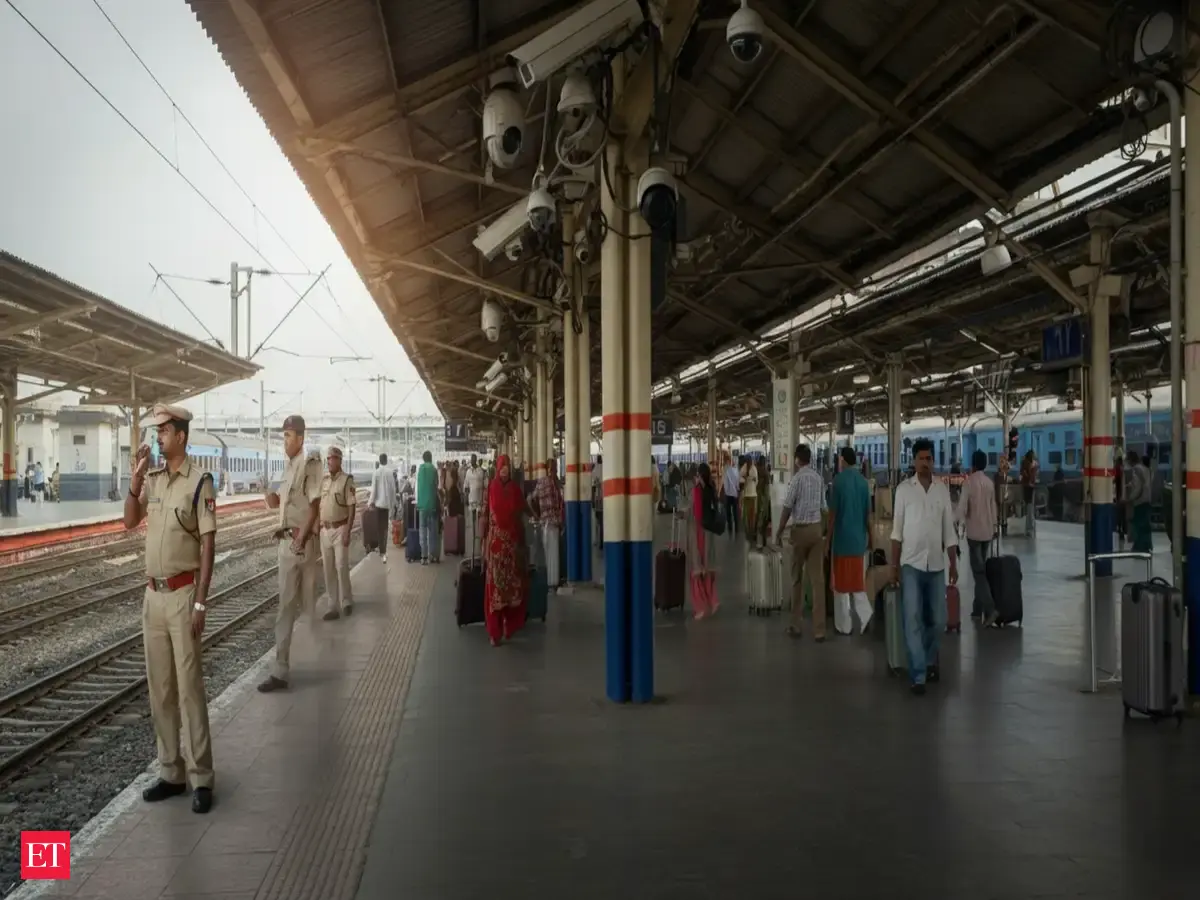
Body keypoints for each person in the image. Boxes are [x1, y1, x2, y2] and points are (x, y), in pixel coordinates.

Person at [123, 404, 215, 814]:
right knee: (160, 690)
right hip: (153, 598)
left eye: (164, 431)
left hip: (182, 596)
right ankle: (171, 773)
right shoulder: (155, 481)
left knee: (189, 688)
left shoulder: (199, 482)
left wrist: (201, 600)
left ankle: (202, 777)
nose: (158, 437)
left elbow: (208, 545)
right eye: (157, 430)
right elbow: (130, 520)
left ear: (180, 436)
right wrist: (135, 482)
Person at [258, 415, 322, 693]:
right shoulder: (287, 468)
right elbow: (278, 505)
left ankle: (293, 665)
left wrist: (301, 539)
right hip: (287, 543)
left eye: (288, 435)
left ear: (301, 438)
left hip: (299, 544)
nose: (284, 441)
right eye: (283, 435)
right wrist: (266, 491)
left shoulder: (310, 465)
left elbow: (314, 507)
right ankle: (282, 667)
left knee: (300, 606)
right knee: (289, 606)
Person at [891, 437, 958, 696]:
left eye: (929, 458)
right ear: (914, 461)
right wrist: (894, 566)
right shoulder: (903, 490)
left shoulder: (942, 490)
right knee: (912, 618)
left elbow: (949, 532)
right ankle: (918, 674)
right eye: (921, 458)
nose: (925, 463)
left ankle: (929, 660)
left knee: (939, 620)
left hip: (937, 565)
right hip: (910, 563)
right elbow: (896, 532)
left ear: (933, 460)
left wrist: (953, 563)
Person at [777, 444, 827, 641]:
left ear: (797, 460)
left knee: (797, 579)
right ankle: (819, 630)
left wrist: (779, 531)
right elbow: (824, 508)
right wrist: (822, 531)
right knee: (817, 582)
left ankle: (796, 625)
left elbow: (787, 507)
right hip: (816, 531)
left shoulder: (797, 479)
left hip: (799, 532)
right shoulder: (819, 478)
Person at [481, 454, 528, 646]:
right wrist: (482, 541)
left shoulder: (515, 489)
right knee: (495, 591)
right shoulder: (491, 488)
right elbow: (485, 514)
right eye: (502, 468)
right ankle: (494, 632)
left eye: (507, 468)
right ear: (498, 469)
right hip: (495, 549)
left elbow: (522, 511)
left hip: (512, 549)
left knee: (512, 590)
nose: (504, 471)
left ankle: (509, 626)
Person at [829, 446, 872, 636]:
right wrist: (871, 538)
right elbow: (868, 515)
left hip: (842, 541)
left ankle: (844, 626)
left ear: (843, 460)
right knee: (856, 582)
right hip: (858, 541)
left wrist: (827, 541)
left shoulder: (838, 481)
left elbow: (832, 515)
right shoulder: (864, 483)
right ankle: (865, 614)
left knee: (840, 586)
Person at [957, 449, 998, 626]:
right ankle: (977, 609)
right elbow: (993, 507)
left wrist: (956, 523)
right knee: (981, 570)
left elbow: (962, 508)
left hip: (974, 534)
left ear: (972, 464)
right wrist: (995, 526)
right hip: (987, 532)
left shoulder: (968, 483)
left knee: (979, 573)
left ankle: (990, 609)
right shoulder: (989, 483)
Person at [319, 445, 356, 621]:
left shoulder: (347, 480)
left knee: (341, 566)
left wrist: (348, 529)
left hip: (340, 528)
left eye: (332, 458)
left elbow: (351, 506)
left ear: (339, 460)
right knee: (328, 569)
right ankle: (332, 605)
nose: (329, 461)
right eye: (327, 458)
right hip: (325, 530)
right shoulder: (324, 481)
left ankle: (346, 600)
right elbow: (319, 505)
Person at [688, 462, 719, 619]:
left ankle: (700, 606)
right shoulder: (712, 489)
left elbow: (694, 513)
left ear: (699, 476)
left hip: (698, 533)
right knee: (707, 569)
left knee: (696, 569)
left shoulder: (696, 491)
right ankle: (713, 600)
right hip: (710, 533)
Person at [533, 457, 564, 588]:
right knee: (554, 554)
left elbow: (531, 498)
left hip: (545, 523)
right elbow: (560, 504)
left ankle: (549, 582)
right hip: (553, 524)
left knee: (548, 554)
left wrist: (537, 515)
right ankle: (553, 582)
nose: (554, 470)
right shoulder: (555, 483)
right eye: (554, 467)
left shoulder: (541, 482)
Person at [368, 453, 396, 563]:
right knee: (385, 528)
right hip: (386, 505)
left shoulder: (376, 473)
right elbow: (393, 489)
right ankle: (383, 551)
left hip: (378, 506)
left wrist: (370, 502)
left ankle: (382, 551)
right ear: (386, 460)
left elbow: (373, 490)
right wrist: (393, 504)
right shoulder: (390, 473)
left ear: (379, 461)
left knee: (379, 529)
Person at [1125, 449, 1153, 553]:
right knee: (1145, 525)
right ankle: (1147, 545)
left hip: (1139, 501)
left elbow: (1137, 487)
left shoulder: (1136, 469)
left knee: (1138, 525)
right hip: (1147, 499)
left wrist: (1130, 498)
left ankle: (1139, 546)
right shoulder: (1146, 469)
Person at [416, 450, 441, 564]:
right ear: (431, 458)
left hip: (421, 505)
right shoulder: (434, 470)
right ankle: (433, 555)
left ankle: (424, 557)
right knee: (433, 531)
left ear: (423, 459)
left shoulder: (420, 470)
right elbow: (436, 486)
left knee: (422, 531)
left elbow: (418, 487)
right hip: (432, 505)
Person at [1020, 450, 1039, 534]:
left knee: (1028, 507)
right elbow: (1032, 476)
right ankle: (1030, 527)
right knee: (1030, 507)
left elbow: (1023, 474)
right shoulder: (1033, 464)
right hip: (1030, 487)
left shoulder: (1025, 463)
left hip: (1026, 487)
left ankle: (1028, 527)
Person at [721, 454, 740, 537]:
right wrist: (737, 491)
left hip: (728, 494)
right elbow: (737, 483)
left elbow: (725, 483)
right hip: (735, 494)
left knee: (728, 512)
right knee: (735, 511)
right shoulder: (736, 471)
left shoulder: (727, 470)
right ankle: (736, 527)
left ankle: (730, 527)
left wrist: (725, 491)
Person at [742, 455, 760, 541]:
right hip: (748, 495)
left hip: (751, 495)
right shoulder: (747, 468)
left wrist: (747, 479)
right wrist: (747, 479)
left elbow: (756, 481)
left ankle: (750, 533)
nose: (748, 462)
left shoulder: (752, 468)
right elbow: (756, 481)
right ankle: (749, 532)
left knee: (750, 515)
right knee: (748, 515)